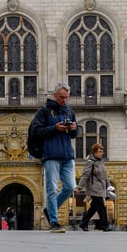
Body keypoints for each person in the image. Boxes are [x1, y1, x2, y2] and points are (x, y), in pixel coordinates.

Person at [31, 83, 78, 233]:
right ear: (54, 95)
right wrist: (54, 128)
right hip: (51, 155)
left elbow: (73, 135)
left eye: (66, 98)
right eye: (61, 97)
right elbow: (35, 131)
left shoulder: (69, 111)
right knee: (52, 189)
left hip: (67, 156)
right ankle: (54, 222)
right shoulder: (44, 111)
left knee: (70, 187)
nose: (64, 100)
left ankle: (50, 209)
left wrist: (74, 129)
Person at [77, 142, 111, 232]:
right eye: (100, 151)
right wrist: (79, 187)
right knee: (101, 207)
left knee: (94, 207)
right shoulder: (90, 162)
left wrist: (109, 186)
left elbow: (105, 176)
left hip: (101, 188)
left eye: (102, 151)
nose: (101, 153)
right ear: (94, 152)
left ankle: (83, 223)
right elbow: (85, 175)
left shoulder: (101, 162)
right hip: (94, 188)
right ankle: (105, 226)